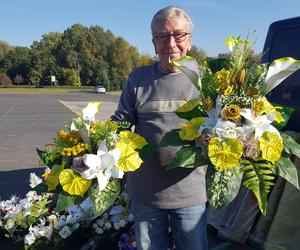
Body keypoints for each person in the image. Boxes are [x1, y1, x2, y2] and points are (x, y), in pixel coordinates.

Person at [112, 6, 208, 250]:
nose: (171, 44)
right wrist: (91, 142)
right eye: (162, 36)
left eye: (179, 35)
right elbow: (120, 124)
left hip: (190, 194)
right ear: (154, 43)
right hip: (146, 194)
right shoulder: (138, 79)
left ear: (190, 39)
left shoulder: (208, 81)